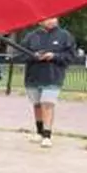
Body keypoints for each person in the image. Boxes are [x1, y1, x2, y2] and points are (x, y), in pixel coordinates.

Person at [17, 17, 77, 148]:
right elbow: (20, 55)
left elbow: (71, 56)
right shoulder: (31, 36)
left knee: (47, 104)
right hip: (33, 76)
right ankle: (39, 132)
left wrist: (54, 56)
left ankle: (47, 135)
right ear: (40, 21)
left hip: (53, 77)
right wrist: (33, 56)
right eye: (47, 18)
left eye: (53, 18)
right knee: (37, 105)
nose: (51, 21)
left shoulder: (64, 36)